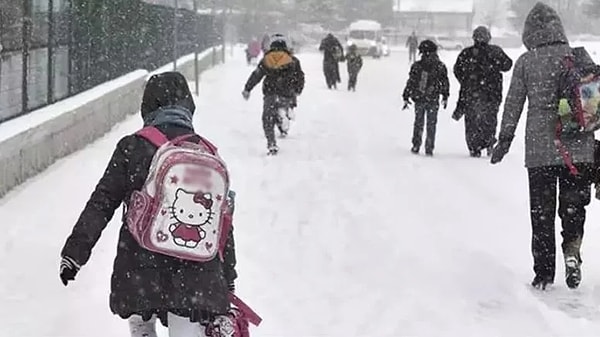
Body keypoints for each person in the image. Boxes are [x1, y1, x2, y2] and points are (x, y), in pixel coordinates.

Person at [59, 72, 239, 336]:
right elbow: (221, 222)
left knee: (141, 318)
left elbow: (102, 202)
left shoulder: (132, 147)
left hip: (140, 268)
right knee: (187, 325)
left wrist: (74, 253)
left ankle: (143, 328)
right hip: (196, 275)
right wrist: (228, 277)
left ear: (147, 106)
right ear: (188, 105)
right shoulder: (206, 152)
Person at [491, 2, 594, 290]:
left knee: (542, 214)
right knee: (573, 208)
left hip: (541, 151)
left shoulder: (527, 61)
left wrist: (504, 140)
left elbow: (513, 104)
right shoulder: (577, 58)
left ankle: (544, 273)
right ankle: (572, 251)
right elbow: (592, 105)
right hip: (579, 149)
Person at [454, 26, 513, 157]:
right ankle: (489, 142)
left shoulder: (466, 53)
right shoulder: (495, 51)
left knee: (472, 122)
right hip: (492, 94)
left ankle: (474, 147)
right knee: (490, 120)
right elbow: (508, 65)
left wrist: (466, 81)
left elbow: (457, 70)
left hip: (471, 94)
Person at [242, 34, 305, 155]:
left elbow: (257, 75)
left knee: (267, 118)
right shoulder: (293, 60)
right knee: (285, 107)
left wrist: (247, 89)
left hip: (270, 92)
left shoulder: (267, 59)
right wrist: (298, 90)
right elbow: (300, 77)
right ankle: (286, 115)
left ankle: (271, 143)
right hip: (287, 93)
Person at [402, 40, 449, 156]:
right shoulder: (440, 66)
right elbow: (445, 82)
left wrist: (406, 95)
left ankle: (416, 144)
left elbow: (411, 82)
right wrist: (445, 95)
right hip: (432, 98)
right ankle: (429, 146)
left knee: (419, 122)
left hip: (420, 98)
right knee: (431, 123)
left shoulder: (417, 66)